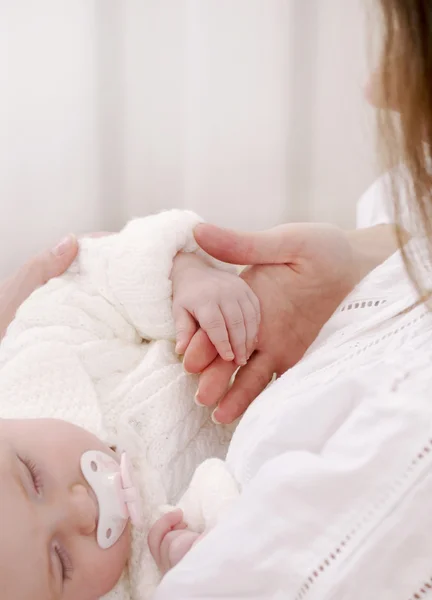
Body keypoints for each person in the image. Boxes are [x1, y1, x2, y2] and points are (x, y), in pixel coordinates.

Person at [147, 1, 432, 597]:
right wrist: (368, 258)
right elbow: (411, 213)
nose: (376, 88)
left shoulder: (409, 445)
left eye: (408, 54)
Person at [0, 210, 261, 600]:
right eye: (60, 562)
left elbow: (108, 271)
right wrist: (185, 571)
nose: (83, 508)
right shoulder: (134, 582)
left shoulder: (36, 354)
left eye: (34, 476)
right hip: (287, 419)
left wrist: (187, 280)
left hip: (257, 323)